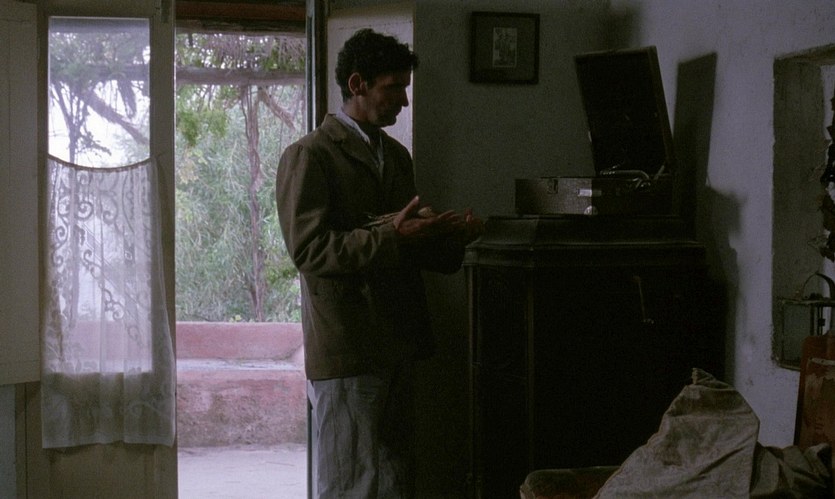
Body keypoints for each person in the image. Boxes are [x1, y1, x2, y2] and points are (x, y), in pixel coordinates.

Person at [275, 28, 482, 498]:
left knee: (392, 481)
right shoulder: (309, 155)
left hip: (398, 345)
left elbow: (407, 247)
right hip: (348, 348)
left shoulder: (396, 156)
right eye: (394, 87)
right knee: (350, 484)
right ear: (357, 84)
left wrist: (451, 238)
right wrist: (392, 235)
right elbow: (309, 251)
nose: (404, 101)